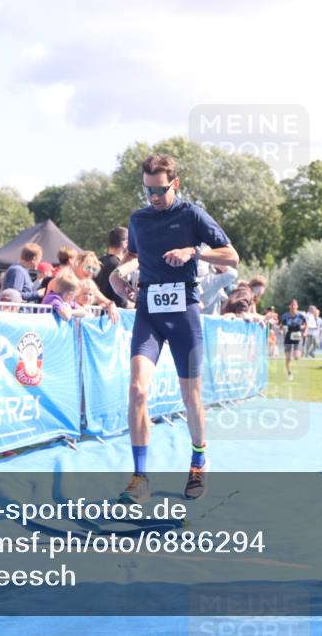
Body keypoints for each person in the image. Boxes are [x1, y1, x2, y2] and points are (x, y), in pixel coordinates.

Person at [108, 154, 238, 503]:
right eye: (148, 190)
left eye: (160, 190)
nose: (153, 197)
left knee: (191, 397)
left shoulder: (192, 215)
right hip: (149, 310)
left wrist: (193, 253)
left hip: (184, 313)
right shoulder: (138, 219)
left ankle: (198, 460)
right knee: (136, 390)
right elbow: (130, 257)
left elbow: (231, 257)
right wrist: (116, 276)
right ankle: (140, 477)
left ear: (175, 184)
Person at [95, 227, 131, 307]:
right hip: (115, 315)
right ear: (126, 243)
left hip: (100, 314)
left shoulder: (98, 262)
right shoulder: (119, 267)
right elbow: (121, 303)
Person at [280, 299, 307, 381]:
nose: (293, 306)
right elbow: (281, 325)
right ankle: (289, 373)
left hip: (298, 336)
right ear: (289, 306)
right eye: (291, 305)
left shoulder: (301, 316)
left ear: (297, 306)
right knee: (288, 358)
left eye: (295, 305)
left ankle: (299, 352)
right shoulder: (285, 316)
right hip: (288, 336)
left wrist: (305, 331)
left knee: (296, 357)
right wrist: (281, 330)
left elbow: (306, 324)